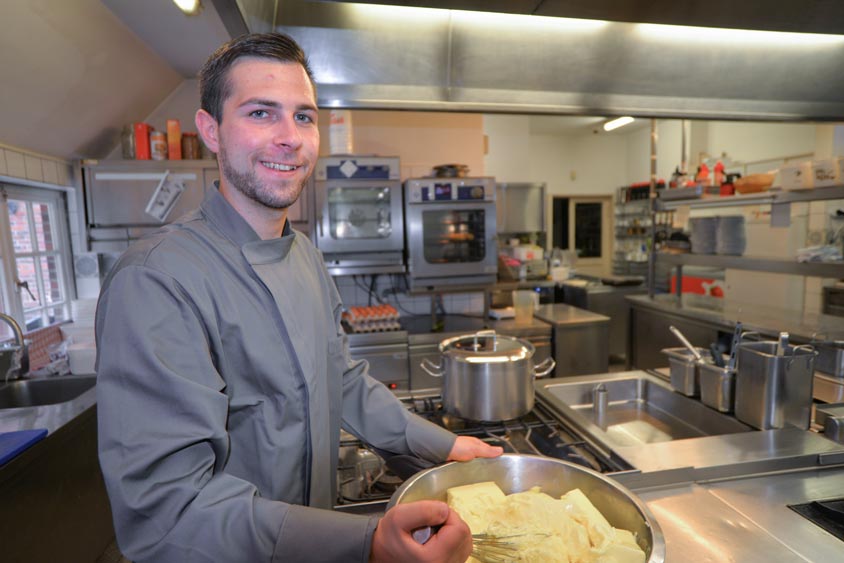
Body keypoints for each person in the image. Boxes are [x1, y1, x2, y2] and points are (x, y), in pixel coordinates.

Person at [95, 32, 502, 563]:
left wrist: (443, 447)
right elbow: (168, 513)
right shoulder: (157, 280)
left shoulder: (305, 255)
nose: (290, 137)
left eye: (304, 116)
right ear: (211, 130)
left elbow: (342, 379)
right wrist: (365, 543)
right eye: (261, 113)